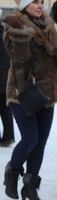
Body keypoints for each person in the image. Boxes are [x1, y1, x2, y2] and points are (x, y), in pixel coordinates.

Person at [3, 0, 57, 200]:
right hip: (23, 93)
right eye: (35, 2)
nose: (40, 5)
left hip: (47, 93)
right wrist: (20, 32)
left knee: (40, 143)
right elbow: (20, 58)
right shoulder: (13, 28)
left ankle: (30, 186)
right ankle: (12, 170)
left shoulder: (49, 26)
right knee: (30, 139)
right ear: (24, 6)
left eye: (41, 1)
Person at [0, 20, 15, 148]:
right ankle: (8, 136)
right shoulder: (5, 34)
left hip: (2, 76)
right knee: (5, 109)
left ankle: (7, 136)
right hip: (6, 77)